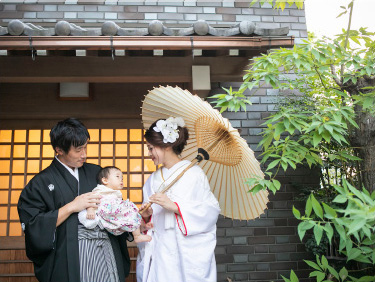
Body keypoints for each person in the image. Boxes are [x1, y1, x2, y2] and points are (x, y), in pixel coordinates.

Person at [17, 118, 132, 282]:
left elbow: (116, 206)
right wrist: (71, 207)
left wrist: (133, 218)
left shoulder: (96, 172)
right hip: (70, 256)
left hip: (105, 250)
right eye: (78, 150)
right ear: (59, 150)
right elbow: (33, 226)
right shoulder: (40, 183)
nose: (84, 154)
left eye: (85, 147)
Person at [136, 117, 221, 282]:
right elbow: (147, 221)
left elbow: (211, 211)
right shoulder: (152, 179)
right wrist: (146, 216)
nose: (149, 154)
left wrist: (176, 207)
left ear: (167, 146)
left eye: (151, 148)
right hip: (160, 247)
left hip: (185, 249)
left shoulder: (194, 175)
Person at [78, 166, 151, 243]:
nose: (121, 180)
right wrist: (90, 210)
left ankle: (140, 228)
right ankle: (137, 235)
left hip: (112, 214)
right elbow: (91, 199)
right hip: (107, 212)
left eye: (122, 178)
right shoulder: (100, 190)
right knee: (130, 209)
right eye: (117, 177)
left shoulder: (115, 193)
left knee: (131, 211)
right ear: (105, 180)